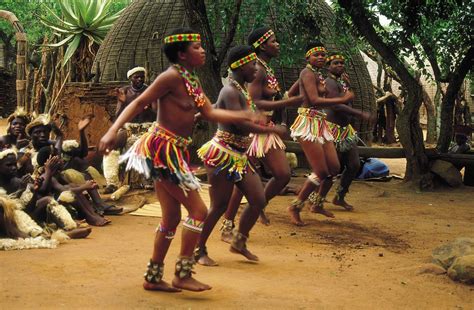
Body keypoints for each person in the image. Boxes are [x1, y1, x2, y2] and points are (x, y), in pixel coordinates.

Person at [99, 28, 261, 292]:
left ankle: (153, 278)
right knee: (198, 212)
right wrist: (111, 130)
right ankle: (182, 273)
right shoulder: (171, 76)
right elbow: (139, 103)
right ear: (182, 54)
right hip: (163, 150)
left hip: (175, 151)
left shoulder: (190, 79)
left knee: (171, 217)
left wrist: (247, 118)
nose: (202, 50)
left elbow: (209, 112)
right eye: (196, 47)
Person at [194, 45, 288, 266]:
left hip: (239, 155)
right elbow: (241, 122)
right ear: (239, 66)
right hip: (223, 154)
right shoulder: (230, 90)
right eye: (252, 64)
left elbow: (218, 106)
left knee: (258, 199)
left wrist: (201, 115)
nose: (256, 68)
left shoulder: (238, 90)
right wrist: (271, 129)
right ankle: (198, 249)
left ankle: (239, 240)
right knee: (219, 205)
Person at [220, 26, 303, 235]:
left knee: (281, 174)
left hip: (266, 130)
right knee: (244, 179)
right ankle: (228, 224)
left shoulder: (266, 68)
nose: (278, 44)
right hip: (254, 131)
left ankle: (255, 208)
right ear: (262, 45)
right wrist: (289, 102)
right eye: (274, 41)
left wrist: (282, 116)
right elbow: (254, 101)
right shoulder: (256, 70)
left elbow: (273, 99)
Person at [287, 42, 353, 226]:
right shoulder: (307, 73)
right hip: (307, 124)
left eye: (323, 55)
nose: (321, 58)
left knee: (333, 168)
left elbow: (291, 92)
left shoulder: (315, 75)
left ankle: (316, 204)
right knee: (321, 171)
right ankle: (296, 206)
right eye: (316, 55)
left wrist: (299, 96)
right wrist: (343, 98)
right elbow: (315, 99)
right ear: (307, 58)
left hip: (321, 123)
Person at [102, 66, 157, 193]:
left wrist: (149, 106)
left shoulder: (150, 91)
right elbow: (118, 116)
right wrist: (123, 102)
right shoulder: (124, 92)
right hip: (129, 129)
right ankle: (112, 182)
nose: (140, 79)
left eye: (142, 77)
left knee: (147, 145)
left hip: (147, 128)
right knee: (110, 146)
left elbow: (156, 113)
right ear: (130, 79)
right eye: (136, 77)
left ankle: (147, 179)